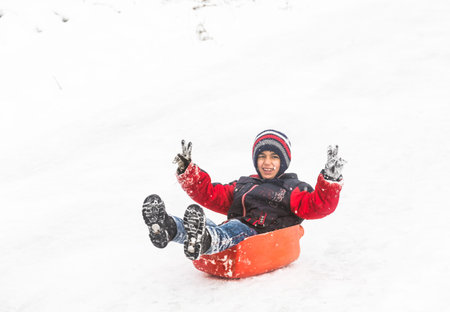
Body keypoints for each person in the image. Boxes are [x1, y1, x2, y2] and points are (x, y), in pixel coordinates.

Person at [142, 129, 345, 260]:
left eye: (274, 157)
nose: (267, 162)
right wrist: (188, 171)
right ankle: (168, 227)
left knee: (229, 229)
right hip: (233, 234)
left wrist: (330, 180)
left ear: (283, 162)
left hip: (261, 238)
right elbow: (210, 194)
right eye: (262, 157)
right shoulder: (244, 185)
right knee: (210, 226)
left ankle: (203, 241)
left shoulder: (293, 188)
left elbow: (318, 206)